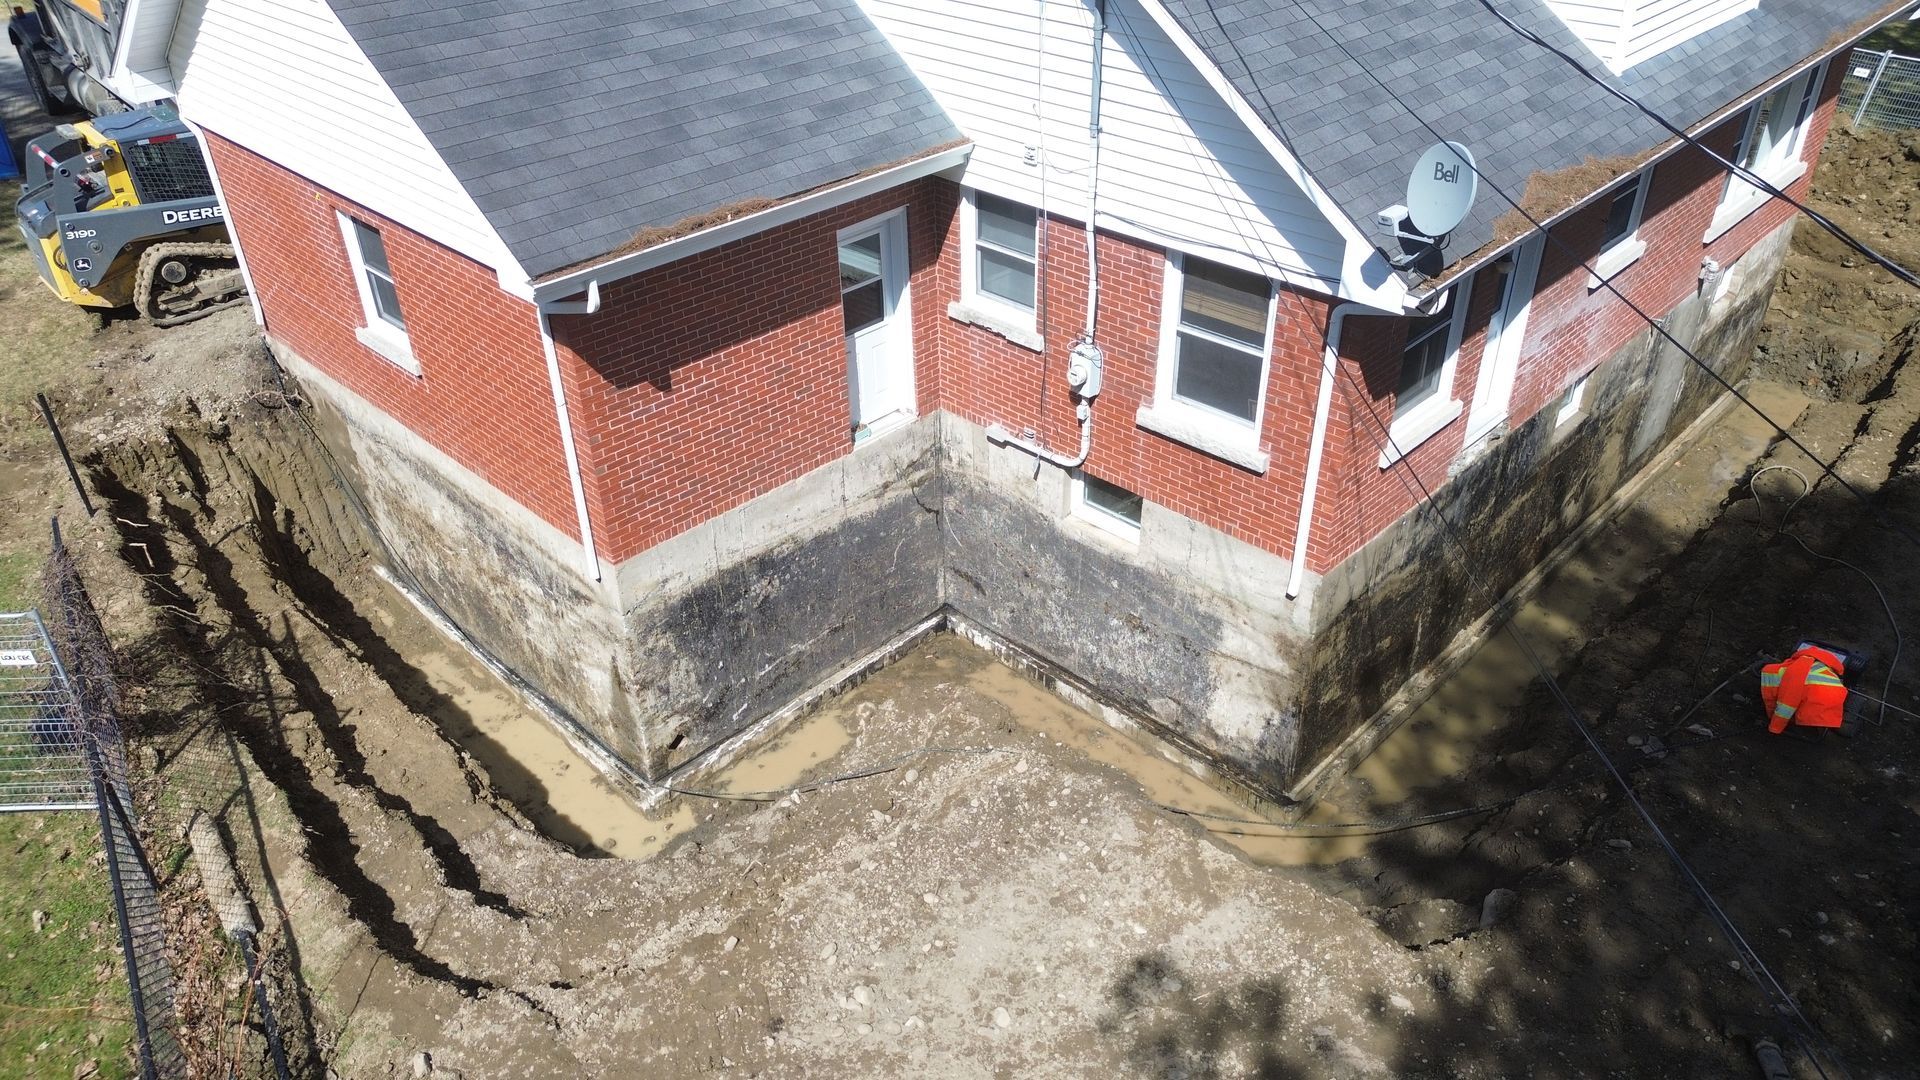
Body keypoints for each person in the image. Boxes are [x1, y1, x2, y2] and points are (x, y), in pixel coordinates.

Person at [1760, 643, 1849, 735]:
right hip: (1834, 700)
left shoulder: (1797, 671)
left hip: (1817, 707)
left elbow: (1787, 704)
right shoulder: (1816, 664)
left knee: (1803, 727)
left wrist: (1775, 727)